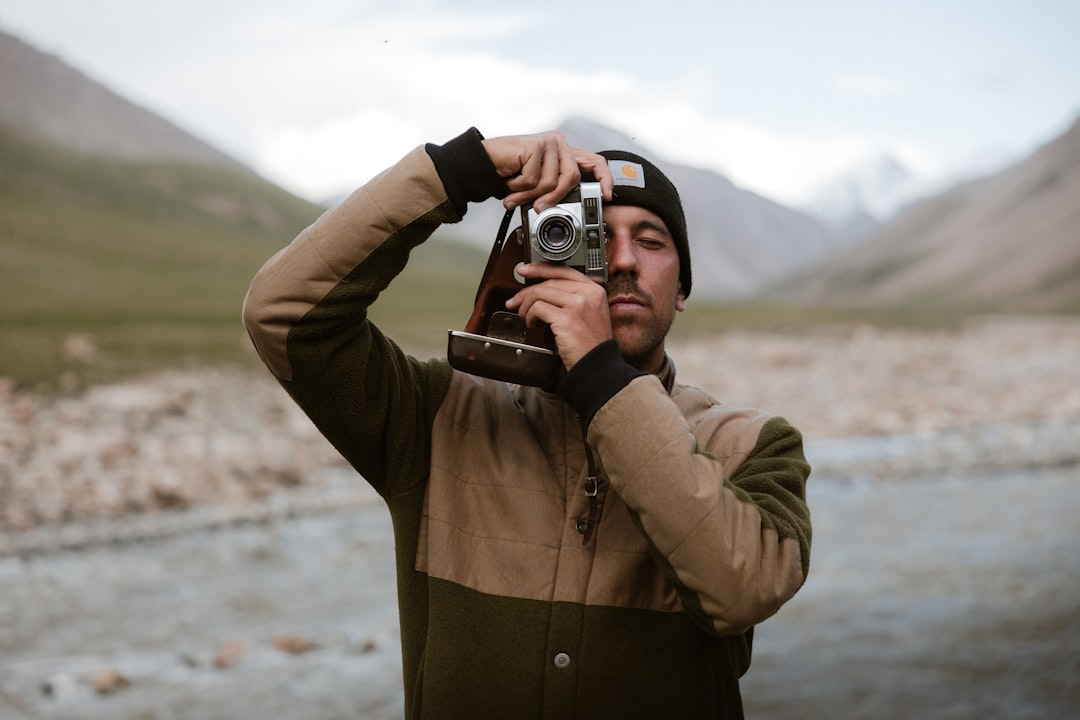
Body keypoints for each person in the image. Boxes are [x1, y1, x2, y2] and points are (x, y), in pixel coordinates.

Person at [242, 127, 811, 719]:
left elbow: (743, 587)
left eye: (649, 241)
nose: (620, 260)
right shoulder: (438, 418)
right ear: (537, 257)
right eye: (592, 237)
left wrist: (600, 377)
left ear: (683, 288)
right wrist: (459, 171)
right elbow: (283, 312)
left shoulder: (752, 443)